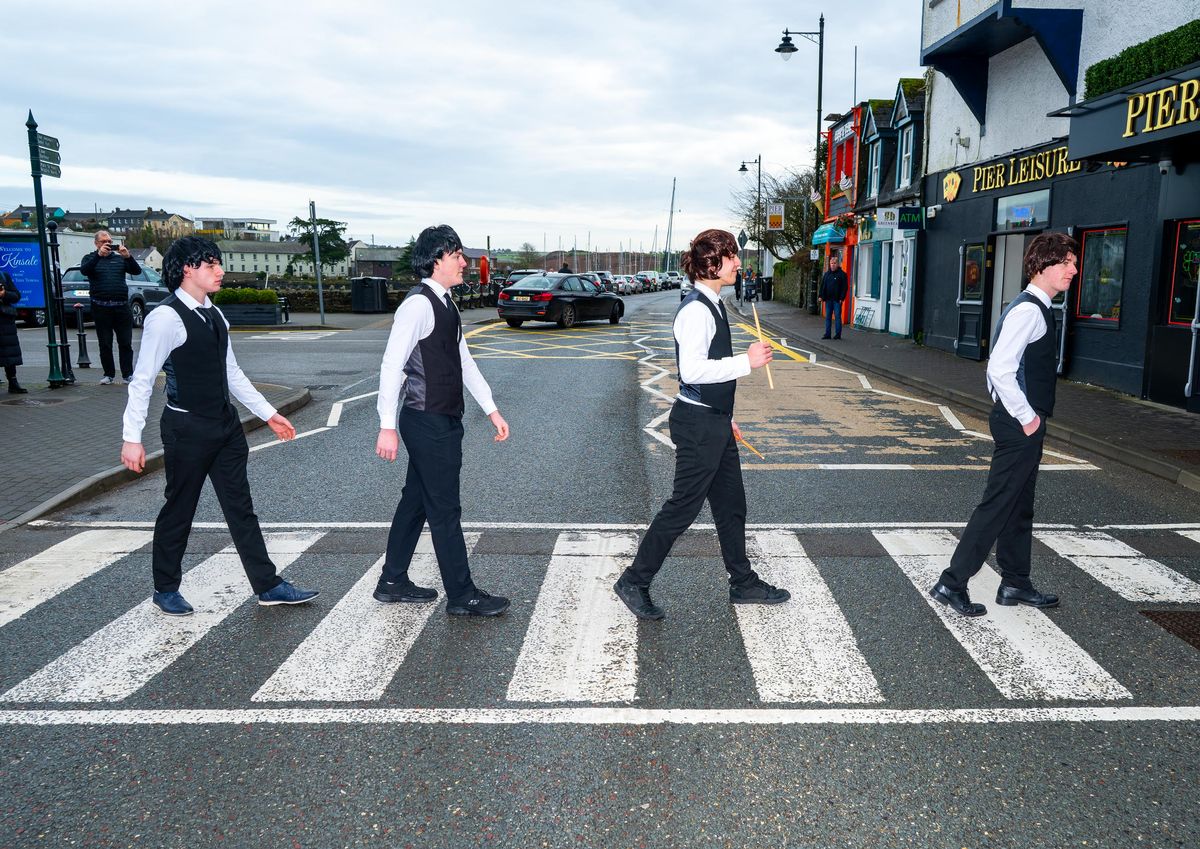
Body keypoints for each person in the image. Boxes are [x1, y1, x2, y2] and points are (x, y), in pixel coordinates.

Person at [120, 236, 318, 616]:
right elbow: (142, 381)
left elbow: (232, 373)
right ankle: (165, 588)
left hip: (225, 428)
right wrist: (132, 438)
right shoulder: (166, 318)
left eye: (218, 263)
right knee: (180, 508)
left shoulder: (214, 314)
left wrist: (268, 413)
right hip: (187, 430)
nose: (220, 271)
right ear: (187, 269)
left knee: (241, 509)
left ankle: (268, 585)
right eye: (211, 264)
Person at [614, 228, 788, 620]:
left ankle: (743, 583)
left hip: (713, 420)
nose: (739, 262)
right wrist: (747, 362)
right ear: (712, 263)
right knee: (682, 508)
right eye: (732, 256)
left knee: (731, 506)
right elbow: (691, 371)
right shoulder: (696, 310)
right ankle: (634, 581)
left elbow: (710, 371)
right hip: (698, 425)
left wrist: (727, 416)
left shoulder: (712, 302)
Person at [929, 232, 1079, 617]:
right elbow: (999, 369)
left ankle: (1015, 582)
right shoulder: (1029, 311)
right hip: (1019, 424)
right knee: (997, 505)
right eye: (1066, 263)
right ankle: (952, 582)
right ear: (1042, 265)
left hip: (1019, 422)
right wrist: (1026, 418)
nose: (1074, 270)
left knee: (1018, 506)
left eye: (1074, 263)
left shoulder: (1034, 306)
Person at [375, 224, 512, 616]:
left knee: (417, 501)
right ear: (437, 261)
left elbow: (463, 361)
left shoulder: (446, 303)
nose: (464, 263)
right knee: (445, 509)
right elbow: (391, 365)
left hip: (440, 418)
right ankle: (462, 595)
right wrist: (387, 425)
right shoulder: (418, 305)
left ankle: (392, 580)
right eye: (457, 256)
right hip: (427, 420)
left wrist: (491, 408)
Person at [80, 230, 141, 384]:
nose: (107, 244)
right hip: (101, 307)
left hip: (122, 307)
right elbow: (85, 270)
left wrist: (128, 256)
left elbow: (136, 271)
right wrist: (98, 255)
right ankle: (109, 374)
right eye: (103, 241)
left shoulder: (119, 258)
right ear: (96, 243)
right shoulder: (89, 258)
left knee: (125, 343)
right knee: (105, 343)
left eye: (109, 241)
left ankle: (127, 374)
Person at [0, 271, 26, 394]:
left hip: (5, 322)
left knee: (9, 354)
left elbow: (16, 296)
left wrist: (4, 294)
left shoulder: (3, 275)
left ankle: (13, 382)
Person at [819, 255, 848, 339]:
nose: (833, 265)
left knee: (837, 317)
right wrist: (820, 296)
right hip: (828, 299)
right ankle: (827, 334)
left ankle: (838, 335)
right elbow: (822, 285)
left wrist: (842, 298)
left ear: (838, 264)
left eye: (834, 263)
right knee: (828, 317)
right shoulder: (827, 274)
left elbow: (844, 287)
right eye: (831, 263)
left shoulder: (842, 274)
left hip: (837, 300)